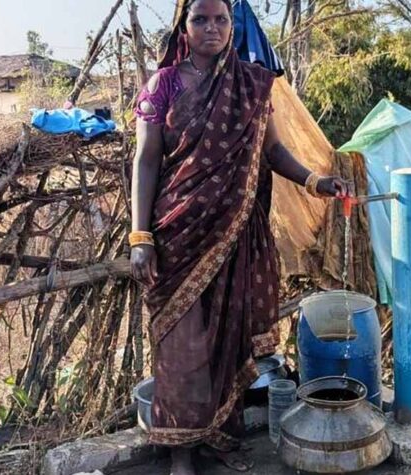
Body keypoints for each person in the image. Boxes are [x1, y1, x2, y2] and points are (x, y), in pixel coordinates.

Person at [130, 0, 352, 473]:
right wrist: (140, 235)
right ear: (184, 27)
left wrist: (316, 181)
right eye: (200, 19)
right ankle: (181, 454)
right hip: (178, 235)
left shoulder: (252, 84)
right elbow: (146, 161)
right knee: (182, 344)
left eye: (221, 20)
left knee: (228, 341)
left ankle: (218, 440)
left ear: (233, 27)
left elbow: (273, 151)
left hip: (236, 234)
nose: (211, 28)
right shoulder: (163, 85)